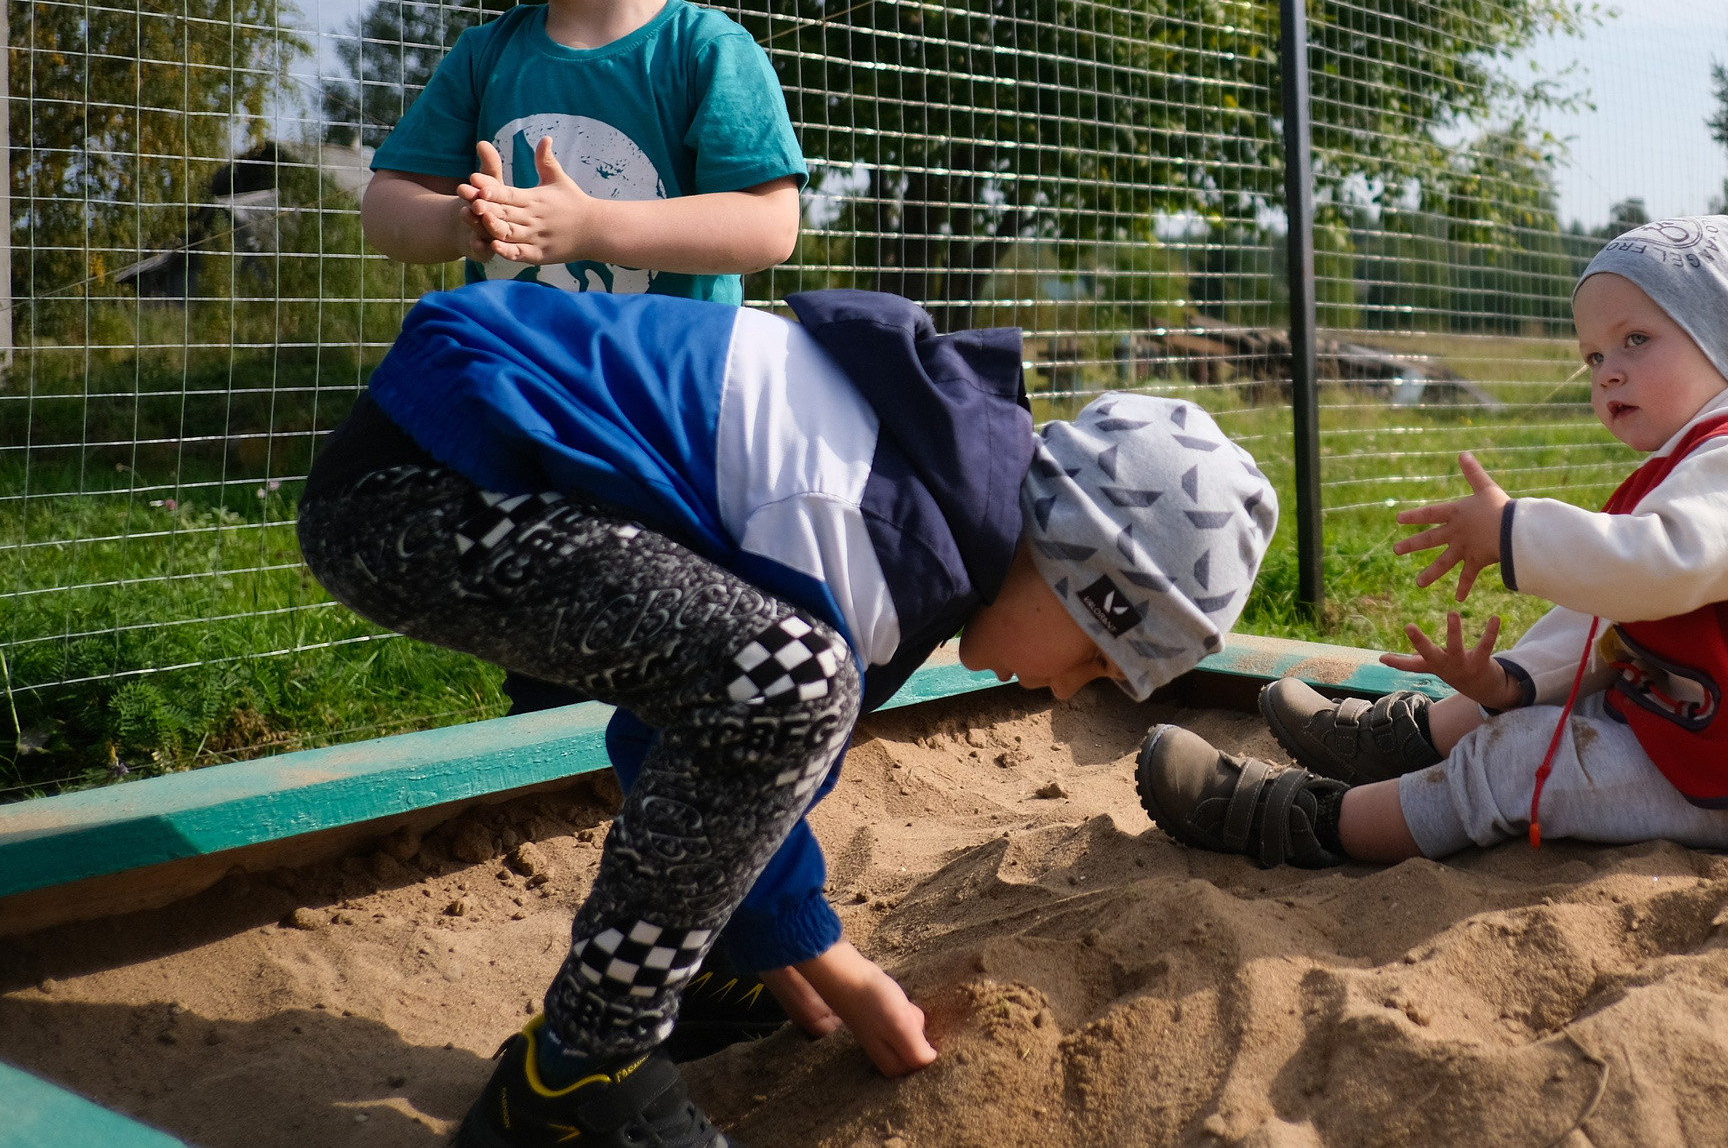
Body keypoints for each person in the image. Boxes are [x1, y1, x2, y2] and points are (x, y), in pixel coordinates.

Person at [298, 279, 1274, 1148]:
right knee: (796, 684)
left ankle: (706, 959)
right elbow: (752, 712)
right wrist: (827, 954)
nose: (1070, 691)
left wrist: (764, 934)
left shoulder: (933, 507)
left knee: (783, 687)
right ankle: (583, 1070)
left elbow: (697, 729)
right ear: (1075, 577)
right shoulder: (870, 521)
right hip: (431, 483)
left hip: (463, 469)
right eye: (1098, 662)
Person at [1134, 214, 1728, 869]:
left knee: (1517, 760)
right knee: (1525, 716)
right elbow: (1608, 616)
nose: (1608, 372)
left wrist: (1514, 529)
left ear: (1725, 342)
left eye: (1636, 338)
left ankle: (1309, 819)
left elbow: (1655, 568)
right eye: (1594, 356)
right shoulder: (1717, 455)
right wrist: (1507, 680)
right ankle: (1407, 740)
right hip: (1703, 723)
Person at [361, 0, 808, 717]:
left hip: (669, 417)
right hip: (527, 401)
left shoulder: (704, 51)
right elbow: (385, 204)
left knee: (677, 622)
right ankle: (551, 796)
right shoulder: (484, 56)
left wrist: (592, 224)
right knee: (554, 633)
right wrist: (453, 223)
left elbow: (768, 225)